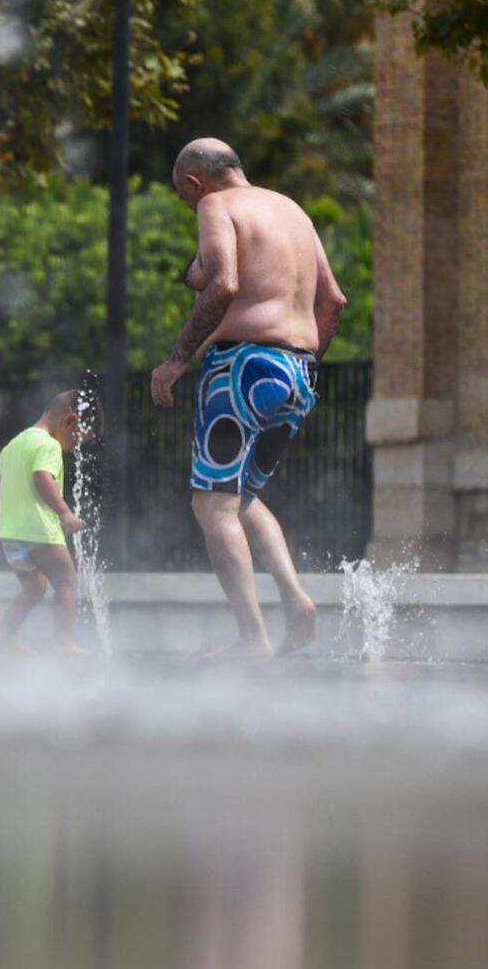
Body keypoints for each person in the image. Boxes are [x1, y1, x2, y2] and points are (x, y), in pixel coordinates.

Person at [149, 139, 348, 658]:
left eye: (186, 200)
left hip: (240, 368)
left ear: (194, 184)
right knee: (243, 498)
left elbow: (223, 284)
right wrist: (302, 364)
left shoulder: (217, 205)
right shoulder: (294, 211)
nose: (192, 208)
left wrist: (175, 360)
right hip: (297, 374)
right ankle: (296, 599)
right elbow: (334, 301)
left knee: (212, 505)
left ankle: (251, 639)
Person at [0, 390, 88, 655]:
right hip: (39, 531)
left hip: (11, 533)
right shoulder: (48, 444)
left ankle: (3, 640)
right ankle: (63, 644)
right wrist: (65, 512)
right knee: (67, 582)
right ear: (70, 420)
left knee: (34, 587)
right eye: (77, 437)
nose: (75, 446)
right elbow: (42, 477)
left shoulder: (13, 444)